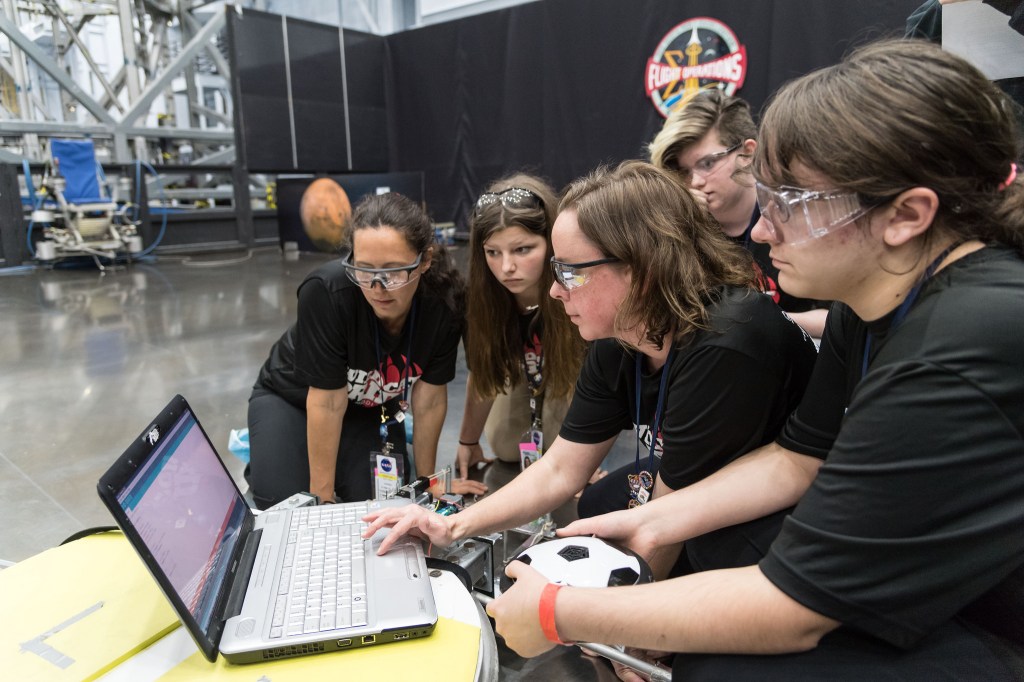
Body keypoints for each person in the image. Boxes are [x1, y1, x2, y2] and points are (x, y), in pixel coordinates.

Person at [481, 39, 1024, 680]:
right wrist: (650, 521)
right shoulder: (869, 301)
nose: (762, 231)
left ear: (905, 215)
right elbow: (797, 459)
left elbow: (794, 607)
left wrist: (561, 614)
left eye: (789, 206)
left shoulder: (958, 344)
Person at [365, 160, 816, 572]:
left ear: (643, 268)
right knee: (598, 504)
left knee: (708, 560)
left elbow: (666, 525)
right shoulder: (620, 332)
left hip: (800, 505)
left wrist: (624, 628)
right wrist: (453, 525)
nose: (556, 292)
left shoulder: (726, 344)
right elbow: (562, 468)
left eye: (570, 273)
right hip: (697, 479)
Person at [246, 192, 485, 509]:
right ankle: (272, 448)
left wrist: (427, 485)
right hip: (294, 399)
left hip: (371, 409)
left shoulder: (445, 303)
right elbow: (327, 403)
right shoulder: (327, 292)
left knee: (380, 501)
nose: (377, 288)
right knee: (283, 502)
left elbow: (428, 401)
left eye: (394, 271)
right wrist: (324, 502)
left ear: (425, 261)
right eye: (364, 269)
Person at [649, 89, 829, 338]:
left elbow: (842, 317)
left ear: (748, 153)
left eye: (707, 163)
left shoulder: (800, 213)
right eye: (682, 172)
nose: (695, 182)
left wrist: (764, 320)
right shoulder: (681, 229)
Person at [456, 174, 587, 481]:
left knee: (559, 453)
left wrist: (586, 459)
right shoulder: (482, 297)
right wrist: (468, 441)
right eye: (493, 252)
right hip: (523, 372)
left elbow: (601, 381)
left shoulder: (575, 287)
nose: (506, 268)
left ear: (551, 242)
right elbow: (482, 375)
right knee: (506, 447)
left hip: (571, 379)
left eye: (522, 250)